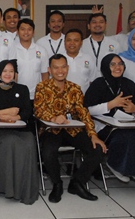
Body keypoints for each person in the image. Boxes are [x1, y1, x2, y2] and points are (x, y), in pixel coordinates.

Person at [34, 54, 107, 203]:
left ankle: (77, 182)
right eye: (56, 68)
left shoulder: (75, 88)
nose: (60, 71)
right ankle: (57, 184)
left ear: (68, 68)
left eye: (63, 67)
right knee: (48, 151)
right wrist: (53, 118)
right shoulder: (42, 87)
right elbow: (38, 110)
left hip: (72, 130)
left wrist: (93, 134)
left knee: (98, 148)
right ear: (49, 70)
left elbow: (84, 113)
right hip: (51, 130)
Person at [85, 54, 135, 185]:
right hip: (103, 125)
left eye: (120, 64)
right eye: (113, 64)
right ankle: (115, 165)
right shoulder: (99, 84)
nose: (117, 67)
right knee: (125, 137)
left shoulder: (128, 83)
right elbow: (87, 109)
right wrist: (110, 105)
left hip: (127, 123)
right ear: (105, 67)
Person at [0, 60, 39, 204]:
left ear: (15, 74)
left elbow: (27, 111)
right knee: (12, 141)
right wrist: (8, 112)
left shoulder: (22, 89)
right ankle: (7, 187)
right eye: (5, 71)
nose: (8, 74)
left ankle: (25, 190)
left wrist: (15, 117)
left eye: (11, 71)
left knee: (29, 141)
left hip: (20, 127)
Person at [8, 19, 48, 99]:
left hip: (36, 94)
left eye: (29, 29)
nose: (26, 32)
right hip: (16, 94)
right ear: (17, 32)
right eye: (23, 29)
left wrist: (44, 92)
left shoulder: (41, 50)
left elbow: (45, 74)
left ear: (33, 32)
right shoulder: (11, 49)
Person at [80, 8, 123, 81]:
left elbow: (120, 65)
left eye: (101, 22)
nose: (98, 24)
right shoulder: (81, 45)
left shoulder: (115, 44)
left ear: (106, 25)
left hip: (109, 83)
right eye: (94, 22)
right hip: (87, 83)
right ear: (88, 26)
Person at [63, 28, 93, 93]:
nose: (72, 43)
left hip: (84, 97)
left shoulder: (88, 59)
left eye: (76, 40)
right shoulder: (59, 59)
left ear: (81, 42)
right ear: (64, 42)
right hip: (62, 97)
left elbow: (92, 80)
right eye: (69, 40)